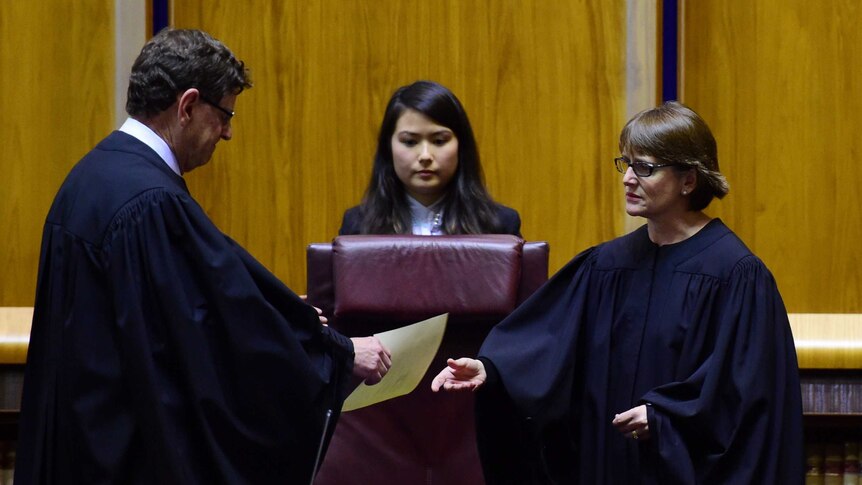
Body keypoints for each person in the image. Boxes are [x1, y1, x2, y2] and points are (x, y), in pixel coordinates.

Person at [15, 28, 391, 484]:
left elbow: (203, 297)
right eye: (225, 115)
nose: (228, 132)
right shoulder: (151, 202)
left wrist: (294, 322)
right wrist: (332, 351)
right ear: (188, 106)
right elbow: (213, 326)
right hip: (130, 458)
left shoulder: (91, 177)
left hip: (87, 445)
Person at [431, 101, 804, 484]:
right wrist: (492, 369)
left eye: (644, 168)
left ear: (688, 180)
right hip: (607, 465)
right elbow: (549, 346)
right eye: (625, 163)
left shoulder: (737, 277)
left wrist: (665, 419)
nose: (628, 178)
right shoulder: (606, 266)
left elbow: (746, 398)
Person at [339, 80, 521, 236]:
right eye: (410, 142)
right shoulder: (357, 227)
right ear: (389, 148)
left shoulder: (500, 225)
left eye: (439, 141)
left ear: (461, 146)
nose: (425, 156)